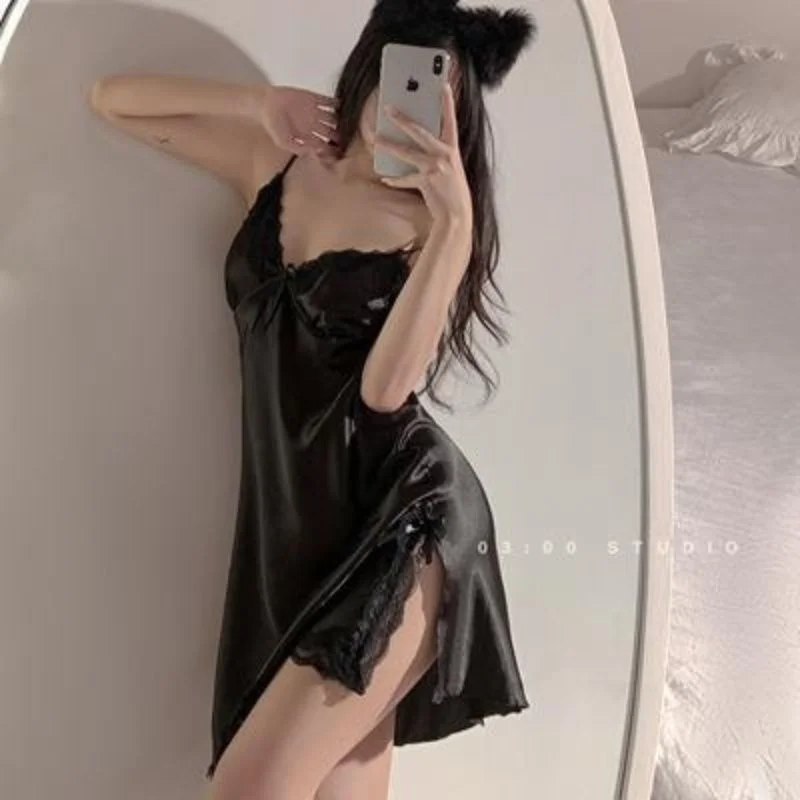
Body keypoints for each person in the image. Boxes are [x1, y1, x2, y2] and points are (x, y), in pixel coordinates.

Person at [90, 1, 537, 798]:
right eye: (402, 75)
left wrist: (455, 228)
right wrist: (258, 103)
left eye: (437, 94)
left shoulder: (427, 227)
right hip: (295, 527)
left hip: (405, 521)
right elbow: (112, 100)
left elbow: (384, 391)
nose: (409, 103)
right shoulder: (277, 165)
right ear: (370, 64)